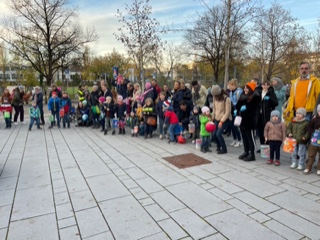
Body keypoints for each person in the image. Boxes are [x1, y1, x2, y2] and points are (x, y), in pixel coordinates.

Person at [236, 81, 261, 161]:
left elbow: (253, 108)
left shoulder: (255, 97)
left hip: (250, 120)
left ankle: (252, 154)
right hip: (242, 120)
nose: (245, 89)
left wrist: (246, 107)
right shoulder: (242, 96)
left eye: (247, 88)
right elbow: (237, 106)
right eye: (245, 88)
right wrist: (236, 111)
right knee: (244, 137)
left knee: (250, 137)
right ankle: (246, 151)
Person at [256, 81, 278, 153]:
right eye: (264, 85)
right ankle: (262, 146)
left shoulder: (271, 93)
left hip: (267, 115)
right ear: (261, 86)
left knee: (268, 131)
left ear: (269, 86)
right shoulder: (259, 93)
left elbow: (276, 103)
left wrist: (270, 99)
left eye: (267, 85)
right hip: (259, 115)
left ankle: (268, 146)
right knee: (261, 132)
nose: (265, 86)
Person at [211, 85, 232, 154]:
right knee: (214, 134)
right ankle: (218, 146)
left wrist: (221, 121)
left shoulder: (226, 99)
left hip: (225, 119)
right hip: (216, 118)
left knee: (218, 134)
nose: (214, 96)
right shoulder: (215, 98)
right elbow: (214, 108)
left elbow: (228, 112)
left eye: (215, 94)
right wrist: (212, 117)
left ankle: (224, 149)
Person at [305, 104, 320, 175]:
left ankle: (319, 168)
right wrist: (312, 132)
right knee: (311, 155)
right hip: (314, 140)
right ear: (318, 112)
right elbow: (309, 128)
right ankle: (308, 167)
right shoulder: (314, 120)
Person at [227, 79, 243, 147]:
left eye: (230, 85)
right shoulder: (230, 92)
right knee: (231, 126)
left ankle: (239, 140)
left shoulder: (239, 92)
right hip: (232, 109)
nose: (229, 87)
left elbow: (240, 101)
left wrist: (238, 110)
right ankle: (234, 139)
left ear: (234, 85)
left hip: (237, 110)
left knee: (235, 126)